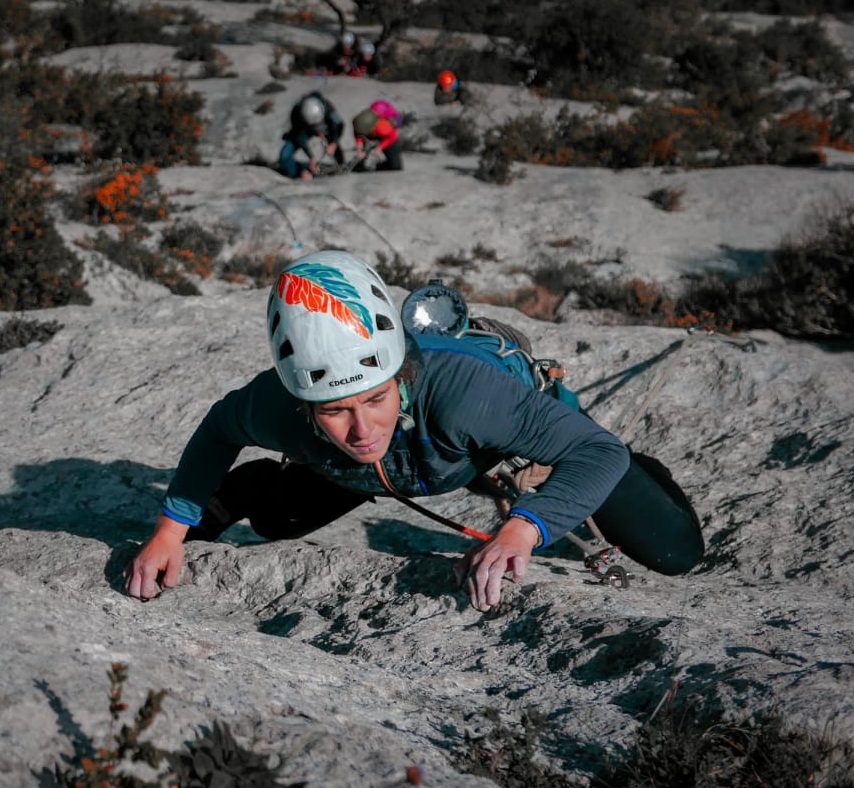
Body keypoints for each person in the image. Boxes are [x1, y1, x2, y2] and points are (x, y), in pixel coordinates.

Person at [124, 251, 705, 611]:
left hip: (483, 447)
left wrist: (525, 527)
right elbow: (218, 428)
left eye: (376, 398)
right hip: (380, 472)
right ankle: (258, 487)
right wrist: (172, 527)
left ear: (399, 375)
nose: (361, 428)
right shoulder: (279, 405)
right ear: (303, 402)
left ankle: (644, 471)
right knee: (277, 521)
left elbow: (593, 451)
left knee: (676, 551)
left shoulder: (463, 395)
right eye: (334, 411)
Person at [278, 92, 345, 179]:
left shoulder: (327, 107)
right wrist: (311, 157)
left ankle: (340, 166)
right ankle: (297, 173)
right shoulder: (296, 113)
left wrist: (333, 143)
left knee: (333, 145)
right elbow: (299, 137)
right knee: (285, 155)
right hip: (303, 131)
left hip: (325, 129)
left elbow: (339, 124)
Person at [351, 100, 402, 171]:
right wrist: (359, 147)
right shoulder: (357, 122)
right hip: (371, 132)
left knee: (395, 167)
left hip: (387, 136)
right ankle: (359, 164)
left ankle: (377, 166)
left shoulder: (383, 128)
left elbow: (392, 136)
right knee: (359, 165)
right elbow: (358, 134)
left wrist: (379, 148)